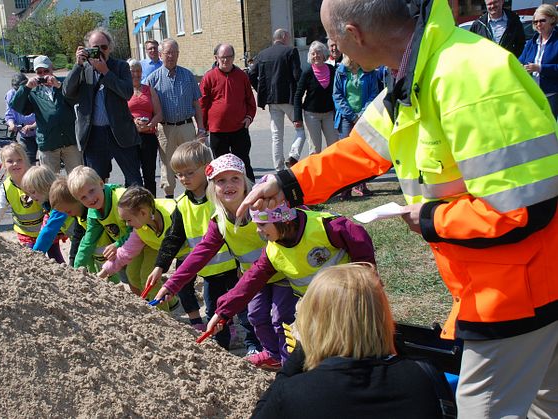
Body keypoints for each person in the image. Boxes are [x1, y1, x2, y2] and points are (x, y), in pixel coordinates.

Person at [239, 0, 558, 416]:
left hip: (520, 292)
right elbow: (361, 148)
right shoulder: (417, 76)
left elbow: (523, 209)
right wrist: (288, 182)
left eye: (334, 40)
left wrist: (429, 218)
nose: (335, 51)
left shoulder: (468, 77)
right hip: (509, 283)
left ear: (354, 34)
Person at [251, 264, 454, 419]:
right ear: (382, 316)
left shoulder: (293, 393)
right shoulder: (426, 374)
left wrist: (301, 352)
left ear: (314, 325)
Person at [203, 198, 375, 367]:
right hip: (313, 310)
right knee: (322, 354)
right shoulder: (273, 249)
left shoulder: (324, 227)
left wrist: (366, 282)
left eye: (262, 224)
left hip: (348, 303)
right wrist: (223, 312)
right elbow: (250, 280)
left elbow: (358, 239)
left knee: (356, 349)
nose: (257, 231)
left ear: (282, 220)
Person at [153, 154, 285, 368]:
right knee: (256, 316)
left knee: (281, 317)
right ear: (212, 187)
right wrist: (172, 284)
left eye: (235, 179)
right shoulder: (219, 220)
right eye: (221, 181)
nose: (229, 185)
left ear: (245, 183)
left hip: (283, 272)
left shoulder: (260, 208)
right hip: (255, 279)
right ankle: (274, 355)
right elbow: (200, 253)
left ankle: (290, 358)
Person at [64, 28, 142, 187]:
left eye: (103, 47)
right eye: (95, 48)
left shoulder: (120, 66)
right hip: (94, 135)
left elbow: (127, 93)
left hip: (120, 132)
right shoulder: (84, 69)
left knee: (134, 179)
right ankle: (101, 211)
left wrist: (106, 72)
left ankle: (135, 209)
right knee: (95, 183)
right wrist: (77, 65)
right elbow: (67, 92)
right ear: (87, 49)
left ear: (110, 48)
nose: (99, 52)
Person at [96, 186, 181, 312]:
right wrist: (103, 273)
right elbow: (125, 252)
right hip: (155, 244)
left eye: (128, 220)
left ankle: (163, 315)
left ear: (143, 212)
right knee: (133, 274)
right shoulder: (140, 227)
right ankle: (156, 304)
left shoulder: (172, 215)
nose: (126, 224)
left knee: (148, 276)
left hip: (182, 249)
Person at [145, 39, 208, 198]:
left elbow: (196, 104)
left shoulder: (188, 75)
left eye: (174, 53)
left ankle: (193, 197)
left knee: (190, 162)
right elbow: (148, 106)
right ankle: (170, 199)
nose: (171, 56)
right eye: (168, 53)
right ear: (161, 55)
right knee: (167, 164)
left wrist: (201, 128)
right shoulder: (153, 79)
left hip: (186, 126)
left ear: (178, 54)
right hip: (165, 128)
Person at [11, 55, 81, 176]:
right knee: (49, 184)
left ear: (52, 69)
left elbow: (76, 100)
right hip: (48, 143)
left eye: (46, 71)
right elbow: (17, 106)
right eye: (39, 73)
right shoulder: (33, 91)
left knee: (77, 180)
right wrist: (27, 88)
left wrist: (59, 86)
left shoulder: (63, 83)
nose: (43, 75)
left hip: (70, 140)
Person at [200, 43, 257, 181]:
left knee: (243, 164)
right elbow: (202, 103)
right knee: (220, 166)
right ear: (216, 58)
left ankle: (250, 193)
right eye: (222, 57)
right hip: (217, 130)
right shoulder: (209, 77)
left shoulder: (241, 76)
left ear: (233, 57)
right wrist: (203, 127)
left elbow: (250, 100)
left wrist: (249, 117)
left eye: (229, 57)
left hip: (239, 128)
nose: (226, 60)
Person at [249, 28, 302, 171]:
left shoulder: (262, 54)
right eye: (289, 37)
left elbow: (251, 74)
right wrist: (301, 94)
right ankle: (293, 155)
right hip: (289, 98)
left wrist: (260, 90)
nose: (289, 40)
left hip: (272, 100)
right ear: (284, 36)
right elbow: (297, 75)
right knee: (301, 130)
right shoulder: (291, 51)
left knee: (277, 136)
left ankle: (279, 169)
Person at [332, 55, 382, 198]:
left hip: (364, 116)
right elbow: (337, 95)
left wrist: (362, 113)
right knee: (347, 153)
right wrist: (351, 115)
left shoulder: (369, 71)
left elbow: (374, 93)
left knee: (363, 151)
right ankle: (346, 187)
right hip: (346, 117)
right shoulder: (341, 71)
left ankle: (361, 184)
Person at [48, 177, 113, 279]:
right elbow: (77, 240)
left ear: (78, 200)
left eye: (68, 211)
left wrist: (75, 265)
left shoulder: (93, 214)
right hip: (96, 256)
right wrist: (73, 263)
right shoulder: (78, 216)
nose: (68, 215)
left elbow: (87, 242)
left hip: (110, 256)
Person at [0, 143, 46, 244]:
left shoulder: (35, 179)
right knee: (30, 256)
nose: (15, 163)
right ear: (3, 165)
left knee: (54, 256)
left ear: (25, 160)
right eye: (10, 161)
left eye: (19, 160)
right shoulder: (6, 187)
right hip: (25, 233)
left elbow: (49, 203)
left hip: (45, 229)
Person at [288, 41, 338, 167]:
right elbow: (298, 95)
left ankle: (333, 173)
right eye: (313, 53)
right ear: (310, 56)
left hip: (329, 114)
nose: (316, 56)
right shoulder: (307, 72)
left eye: (319, 52)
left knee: (334, 146)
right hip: (311, 115)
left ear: (324, 54)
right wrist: (297, 118)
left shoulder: (332, 70)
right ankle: (316, 176)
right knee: (315, 150)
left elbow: (337, 92)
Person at [127, 59, 163, 196]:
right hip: (131, 137)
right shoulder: (124, 90)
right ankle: (134, 203)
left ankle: (151, 204)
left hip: (148, 136)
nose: (136, 74)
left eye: (138, 71)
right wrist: (133, 123)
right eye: (132, 71)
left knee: (149, 174)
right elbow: (119, 114)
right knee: (132, 174)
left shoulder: (149, 90)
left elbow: (159, 114)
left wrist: (149, 125)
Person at [519, 4, 558, 119]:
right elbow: (521, 60)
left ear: (553, 19)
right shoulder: (532, 41)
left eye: (542, 21)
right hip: (533, 94)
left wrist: (540, 68)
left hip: (551, 94)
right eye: (535, 22)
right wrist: (521, 66)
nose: (538, 25)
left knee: (550, 129)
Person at [22, 165, 67, 264]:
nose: (32, 197)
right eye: (29, 194)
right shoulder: (48, 202)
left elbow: (48, 232)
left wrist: (35, 254)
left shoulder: (59, 201)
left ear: (45, 186)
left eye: (33, 192)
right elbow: (47, 225)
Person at [5, 73, 38, 165]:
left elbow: (43, 115)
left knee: (46, 160)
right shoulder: (11, 94)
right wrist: (11, 124)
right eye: (17, 89)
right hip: (25, 134)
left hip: (40, 131)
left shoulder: (33, 91)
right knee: (27, 162)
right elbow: (9, 114)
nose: (19, 91)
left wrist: (32, 125)